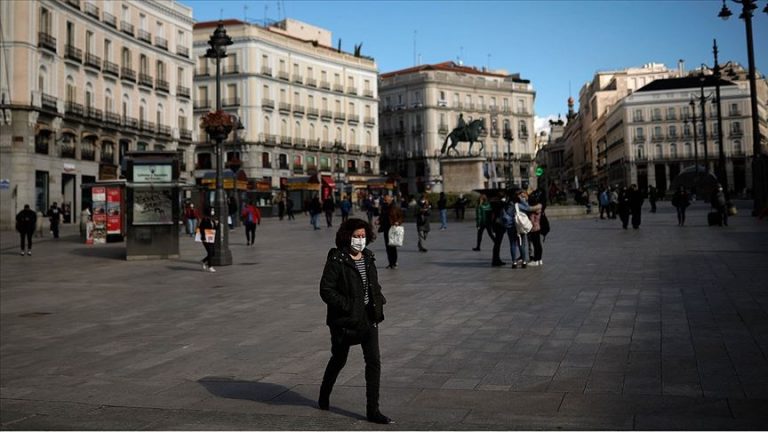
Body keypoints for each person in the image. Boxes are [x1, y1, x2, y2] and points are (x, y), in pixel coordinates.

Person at [318, 218, 392, 425]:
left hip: (369, 318)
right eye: (356, 236)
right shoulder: (337, 259)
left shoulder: (368, 257)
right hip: (345, 321)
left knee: (374, 362)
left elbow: (373, 284)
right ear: (347, 236)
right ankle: (324, 393)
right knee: (339, 359)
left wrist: (378, 299)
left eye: (363, 236)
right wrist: (348, 305)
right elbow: (326, 290)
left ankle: (373, 410)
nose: (360, 240)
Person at [507, 190, 540, 269]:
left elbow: (507, 214)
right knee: (522, 244)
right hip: (520, 226)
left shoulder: (508, 204)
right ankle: (524, 262)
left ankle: (514, 262)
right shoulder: (519, 205)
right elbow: (528, 208)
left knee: (512, 244)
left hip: (510, 226)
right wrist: (522, 200)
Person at [378, 194, 403, 269]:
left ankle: (394, 262)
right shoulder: (384, 207)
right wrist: (378, 221)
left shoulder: (396, 207)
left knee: (393, 245)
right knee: (388, 247)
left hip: (393, 228)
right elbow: (382, 216)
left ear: (391, 199)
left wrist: (398, 222)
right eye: (385, 199)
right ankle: (390, 263)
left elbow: (401, 217)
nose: (385, 201)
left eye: (386, 199)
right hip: (386, 228)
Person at [488, 191, 507, 266]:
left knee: (497, 243)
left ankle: (496, 259)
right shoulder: (499, 203)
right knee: (497, 243)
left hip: (495, 224)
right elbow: (502, 208)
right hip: (499, 224)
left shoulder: (493, 203)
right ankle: (495, 260)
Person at [527, 194, 545, 266]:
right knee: (538, 244)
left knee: (535, 244)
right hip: (538, 227)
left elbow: (528, 209)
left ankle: (536, 260)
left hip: (533, 228)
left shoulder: (534, 208)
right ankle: (539, 259)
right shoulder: (539, 206)